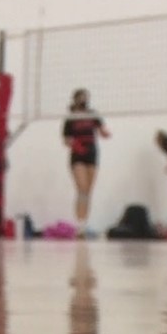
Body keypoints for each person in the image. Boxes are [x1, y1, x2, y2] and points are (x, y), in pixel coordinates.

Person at [62, 89, 110, 237]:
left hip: (92, 153)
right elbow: (66, 139)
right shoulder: (70, 118)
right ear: (76, 98)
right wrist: (76, 145)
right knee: (82, 189)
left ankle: (83, 224)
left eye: (86, 97)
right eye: (82, 97)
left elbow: (102, 130)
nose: (84, 100)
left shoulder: (92, 114)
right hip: (78, 154)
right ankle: (79, 224)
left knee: (88, 191)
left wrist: (105, 132)